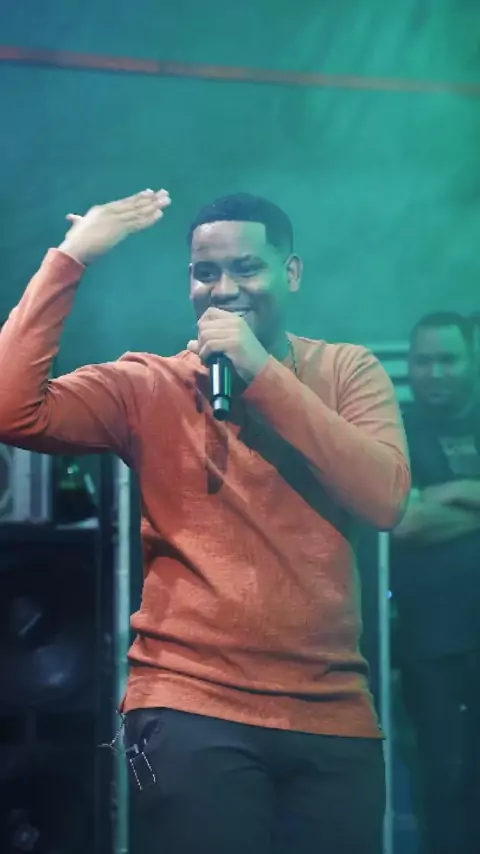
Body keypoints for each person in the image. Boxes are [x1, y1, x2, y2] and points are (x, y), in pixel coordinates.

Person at [0, 188, 410, 854]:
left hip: (332, 713)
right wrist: (71, 257)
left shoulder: (347, 371)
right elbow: (11, 407)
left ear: (292, 273)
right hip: (189, 706)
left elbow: (385, 498)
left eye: (247, 268)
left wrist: (259, 372)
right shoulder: (150, 385)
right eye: (205, 272)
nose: (224, 289)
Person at [391, 311, 480, 854]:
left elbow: (424, 511)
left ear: (471, 361)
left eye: (448, 359)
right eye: (423, 361)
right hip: (433, 646)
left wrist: (446, 494)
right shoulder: (392, 431)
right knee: (445, 783)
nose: (435, 372)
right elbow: (403, 521)